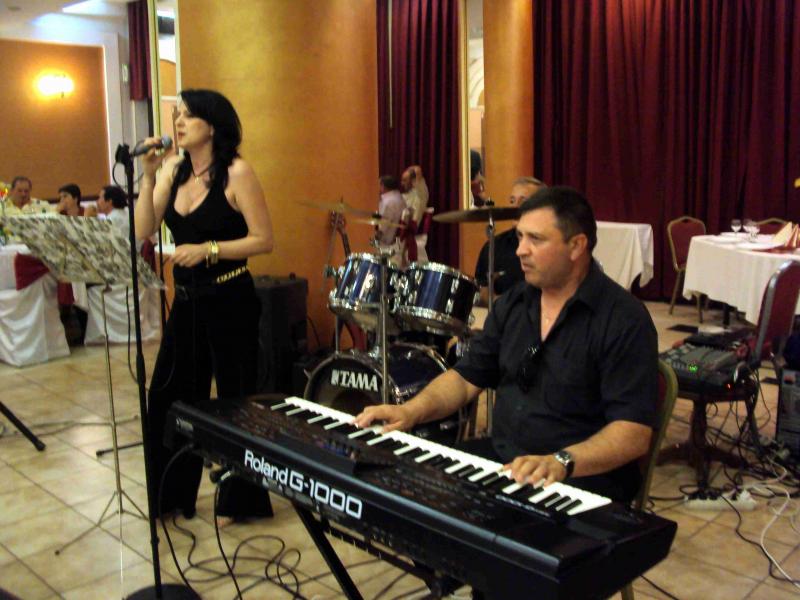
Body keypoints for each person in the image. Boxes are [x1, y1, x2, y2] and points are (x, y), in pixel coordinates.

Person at [355, 186, 657, 504]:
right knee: (409, 494)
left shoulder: (624, 319)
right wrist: (410, 411)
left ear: (576, 246)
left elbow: (633, 433)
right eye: (520, 237)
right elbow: (465, 379)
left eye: (535, 239)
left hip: (582, 482)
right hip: (505, 462)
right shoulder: (514, 303)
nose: (520, 251)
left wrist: (560, 462)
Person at [134, 88, 275, 521]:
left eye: (188, 116)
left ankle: (243, 500)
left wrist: (209, 250)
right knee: (167, 399)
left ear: (212, 126)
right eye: (176, 115)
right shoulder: (173, 170)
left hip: (231, 299)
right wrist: (147, 176)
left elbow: (263, 240)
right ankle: (170, 496)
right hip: (188, 303)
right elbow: (143, 228)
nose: (178, 122)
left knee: (236, 402)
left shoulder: (237, 172)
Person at [474, 176, 546, 305]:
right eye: (512, 201)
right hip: (503, 314)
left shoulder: (551, 245)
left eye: (523, 201)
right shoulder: (494, 245)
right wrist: (505, 307)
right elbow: (483, 289)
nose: (515, 207)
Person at [377, 175, 405, 246]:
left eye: (378, 185)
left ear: (383, 186)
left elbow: (381, 228)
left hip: (385, 241)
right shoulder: (399, 197)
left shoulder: (388, 202)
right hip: (394, 238)